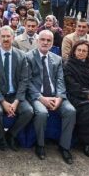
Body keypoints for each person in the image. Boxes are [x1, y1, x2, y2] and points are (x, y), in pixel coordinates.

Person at [26, 30, 75, 164]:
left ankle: (64, 146)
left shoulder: (57, 59)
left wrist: (59, 98)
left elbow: (60, 80)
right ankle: (40, 145)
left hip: (55, 95)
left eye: (49, 40)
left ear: (52, 43)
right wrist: (41, 98)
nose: (45, 42)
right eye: (43, 39)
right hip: (38, 96)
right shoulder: (28, 57)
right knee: (41, 113)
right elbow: (27, 82)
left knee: (70, 111)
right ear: (37, 41)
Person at [0, 26, 33, 151]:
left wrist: (16, 101)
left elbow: (24, 80)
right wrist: (2, 102)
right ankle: (1, 138)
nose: (6, 39)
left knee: (28, 111)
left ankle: (11, 134)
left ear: (13, 38)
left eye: (8, 36)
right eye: (3, 36)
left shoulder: (22, 56)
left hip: (15, 94)